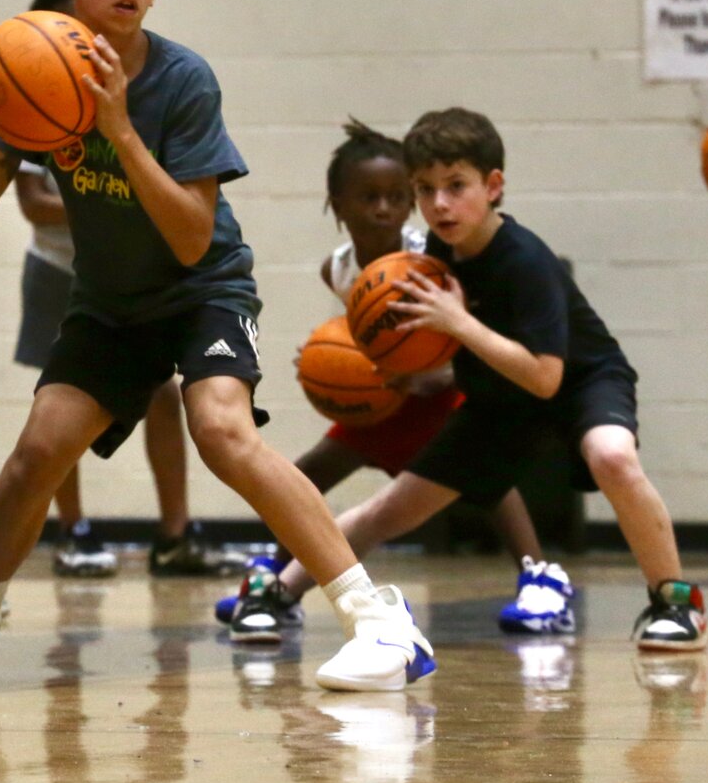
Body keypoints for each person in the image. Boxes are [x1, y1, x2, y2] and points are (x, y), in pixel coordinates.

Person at [0, 0, 435, 693]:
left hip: (203, 289)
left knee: (221, 429)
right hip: (112, 301)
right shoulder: (37, 68)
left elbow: (192, 233)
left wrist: (117, 126)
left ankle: (378, 619)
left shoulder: (183, 79)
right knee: (39, 448)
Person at [233, 108, 705, 652]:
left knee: (613, 456)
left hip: (580, 381)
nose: (439, 204)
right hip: (499, 395)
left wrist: (459, 322)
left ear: (494, 186)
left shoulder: (524, 260)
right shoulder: (434, 257)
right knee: (392, 509)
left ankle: (674, 600)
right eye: (426, 189)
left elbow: (547, 378)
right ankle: (280, 594)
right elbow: (430, 348)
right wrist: (385, 369)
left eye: (456, 187)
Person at [216, 119, 559, 637]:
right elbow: (362, 345)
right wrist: (330, 366)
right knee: (303, 476)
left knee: (490, 477)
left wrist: (421, 376)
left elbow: (462, 338)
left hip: (441, 389)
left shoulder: (429, 257)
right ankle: (273, 575)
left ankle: (538, 574)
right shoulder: (338, 269)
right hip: (386, 399)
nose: (383, 208)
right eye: (368, 197)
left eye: (397, 196)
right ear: (337, 203)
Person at [13, 0, 237, 580]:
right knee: (53, 413)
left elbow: (185, 218)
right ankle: (74, 529)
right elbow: (32, 202)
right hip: (64, 268)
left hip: (139, 272)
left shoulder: (157, 85)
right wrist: (128, 200)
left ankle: (173, 531)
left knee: (178, 403)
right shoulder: (35, 89)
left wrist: (136, 192)